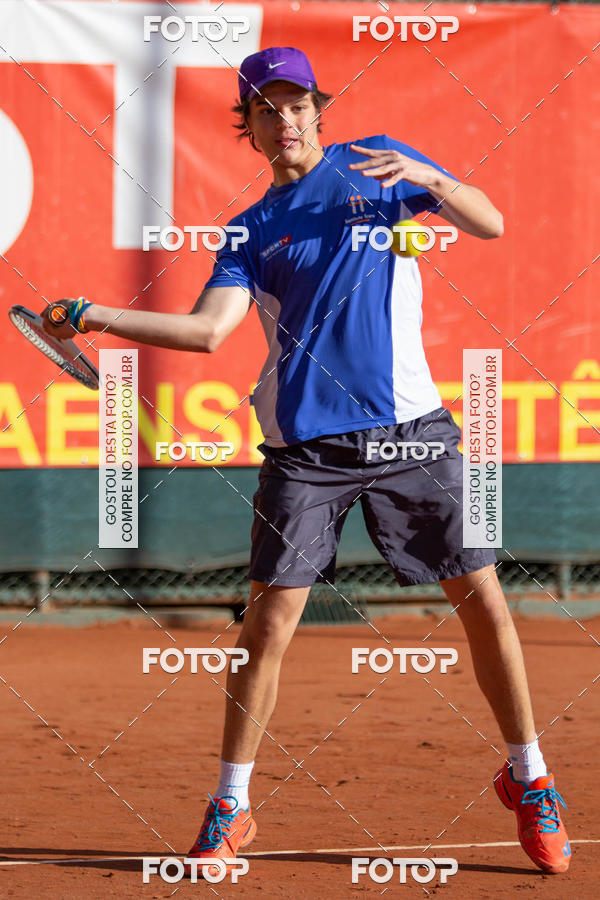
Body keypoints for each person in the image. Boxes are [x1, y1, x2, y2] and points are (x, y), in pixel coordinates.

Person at [43, 46, 570, 878]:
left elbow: (490, 222)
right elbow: (208, 332)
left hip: (412, 434)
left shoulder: (383, 169)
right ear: (248, 129)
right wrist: (98, 314)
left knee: (484, 602)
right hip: (307, 454)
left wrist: (432, 179)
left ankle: (531, 777)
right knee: (267, 626)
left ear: (318, 111)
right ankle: (231, 803)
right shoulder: (249, 230)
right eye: (265, 110)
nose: (283, 120)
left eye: (296, 105)